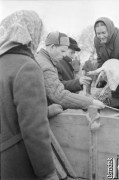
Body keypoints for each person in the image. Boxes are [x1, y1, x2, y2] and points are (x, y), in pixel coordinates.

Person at [0, 10, 58, 179]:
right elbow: (34, 129)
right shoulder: (27, 66)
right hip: (14, 165)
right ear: (32, 33)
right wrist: (48, 173)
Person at [36, 31, 104, 110]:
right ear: (52, 47)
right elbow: (59, 95)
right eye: (62, 51)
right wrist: (90, 102)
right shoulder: (45, 65)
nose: (64, 55)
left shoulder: (46, 60)